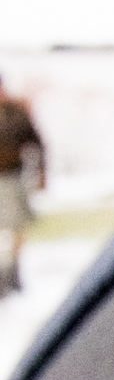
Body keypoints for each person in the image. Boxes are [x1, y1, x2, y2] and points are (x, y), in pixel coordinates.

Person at [0, 75, 44, 294]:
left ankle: (13, 273)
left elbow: (36, 141)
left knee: (17, 228)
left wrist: (41, 174)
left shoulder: (15, 111)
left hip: (12, 177)